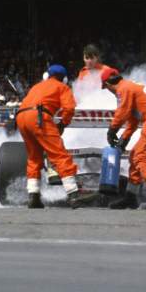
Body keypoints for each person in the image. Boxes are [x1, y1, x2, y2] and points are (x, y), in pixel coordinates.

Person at [101, 66, 146, 210]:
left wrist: (112, 131)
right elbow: (132, 120)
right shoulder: (130, 86)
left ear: (108, 85)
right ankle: (131, 196)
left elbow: (122, 112)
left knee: (141, 156)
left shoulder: (123, 89)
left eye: (106, 88)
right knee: (135, 155)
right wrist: (124, 139)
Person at [15, 64, 89, 209]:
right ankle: (73, 195)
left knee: (34, 156)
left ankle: (34, 195)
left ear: (46, 75)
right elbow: (69, 108)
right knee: (59, 155)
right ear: (65, 79)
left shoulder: (37, 86)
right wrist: (63, 124)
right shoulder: (63, 87)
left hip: (21, 117)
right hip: (38, 117)